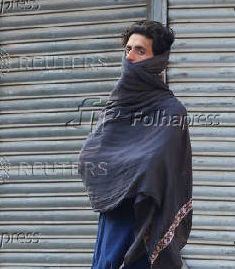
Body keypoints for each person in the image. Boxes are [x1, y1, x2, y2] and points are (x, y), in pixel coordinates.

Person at [78, 20, 193, 269]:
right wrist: (125, 174)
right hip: (113, 220)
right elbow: (89, 158)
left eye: (140, 50)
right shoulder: (116, 107)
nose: (129, 57)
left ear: (157, 60)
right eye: (128, 49)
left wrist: (120, 169)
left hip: (145, 224)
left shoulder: (172, 112)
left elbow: (156, 171)